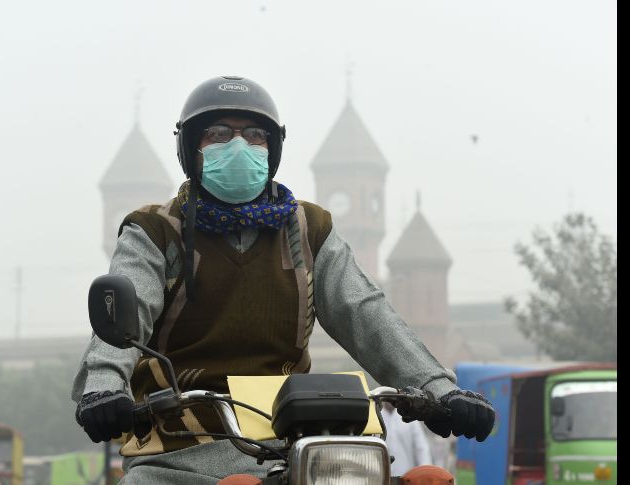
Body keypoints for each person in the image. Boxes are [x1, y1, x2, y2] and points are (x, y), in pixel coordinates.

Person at [71, 75, 495, 484]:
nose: (239, 145)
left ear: (272, 150)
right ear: (190, 148)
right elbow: (129, 308)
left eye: (255, 135)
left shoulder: (308, 229)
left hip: (296, 442)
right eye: (219, 133)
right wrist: (105, 386)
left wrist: (439, 389)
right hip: (178, 447)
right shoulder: (154, 231)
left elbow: (365, 311)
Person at [380, 402, 433, 477]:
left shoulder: (409, 417)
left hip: (406, 476)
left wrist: (426, 474)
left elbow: (421, 448)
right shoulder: (375, 417)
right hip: (380, 477)